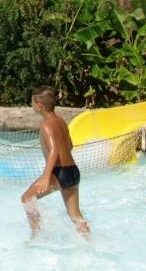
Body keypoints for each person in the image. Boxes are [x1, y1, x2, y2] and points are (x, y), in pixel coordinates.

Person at [21, 86, 90, 237]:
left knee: (26, 198)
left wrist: (46, 176)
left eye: (32, 103)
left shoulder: (46, 124)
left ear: (39, 106)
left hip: (59, 173)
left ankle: (36, 236)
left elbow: (54, 151)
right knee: (75, 215)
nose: (31, 105)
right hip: (72, 171)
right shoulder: (61, 122)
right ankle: (89, 240)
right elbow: (70, 145)